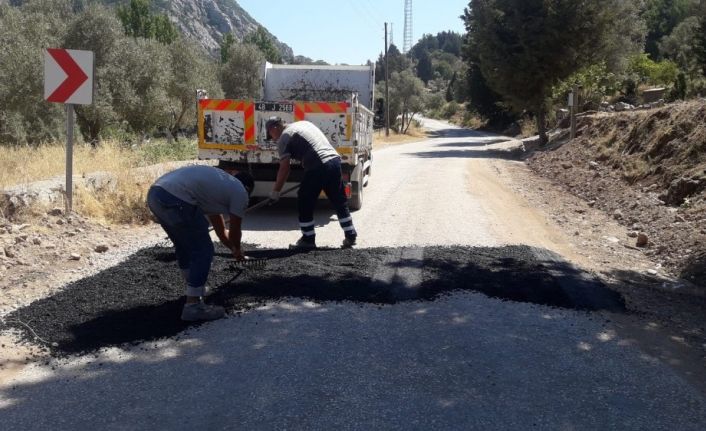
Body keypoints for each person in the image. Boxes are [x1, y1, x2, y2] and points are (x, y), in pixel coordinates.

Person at [147, 162, 254, 321]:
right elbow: (235, 231)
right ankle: (193, 306)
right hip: (176, 197)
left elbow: (221, 233)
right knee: (203, 250)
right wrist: (238, 250)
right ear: (248, 189)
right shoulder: (241, 192)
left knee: (184, 246)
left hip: (155, 194)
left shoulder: (217, 187)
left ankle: (194, 288)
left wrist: (233, 249)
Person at [266, 118, 357, 249]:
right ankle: (351, 235)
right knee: (339, 200)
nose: (273, 139)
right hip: (334, 160)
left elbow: (285, 168)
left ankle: (308, 240)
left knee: (304, 200)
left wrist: (276, 192)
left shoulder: (284, 138)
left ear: (273, 128)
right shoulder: (303, 124)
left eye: (271, 135)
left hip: (318, 164)